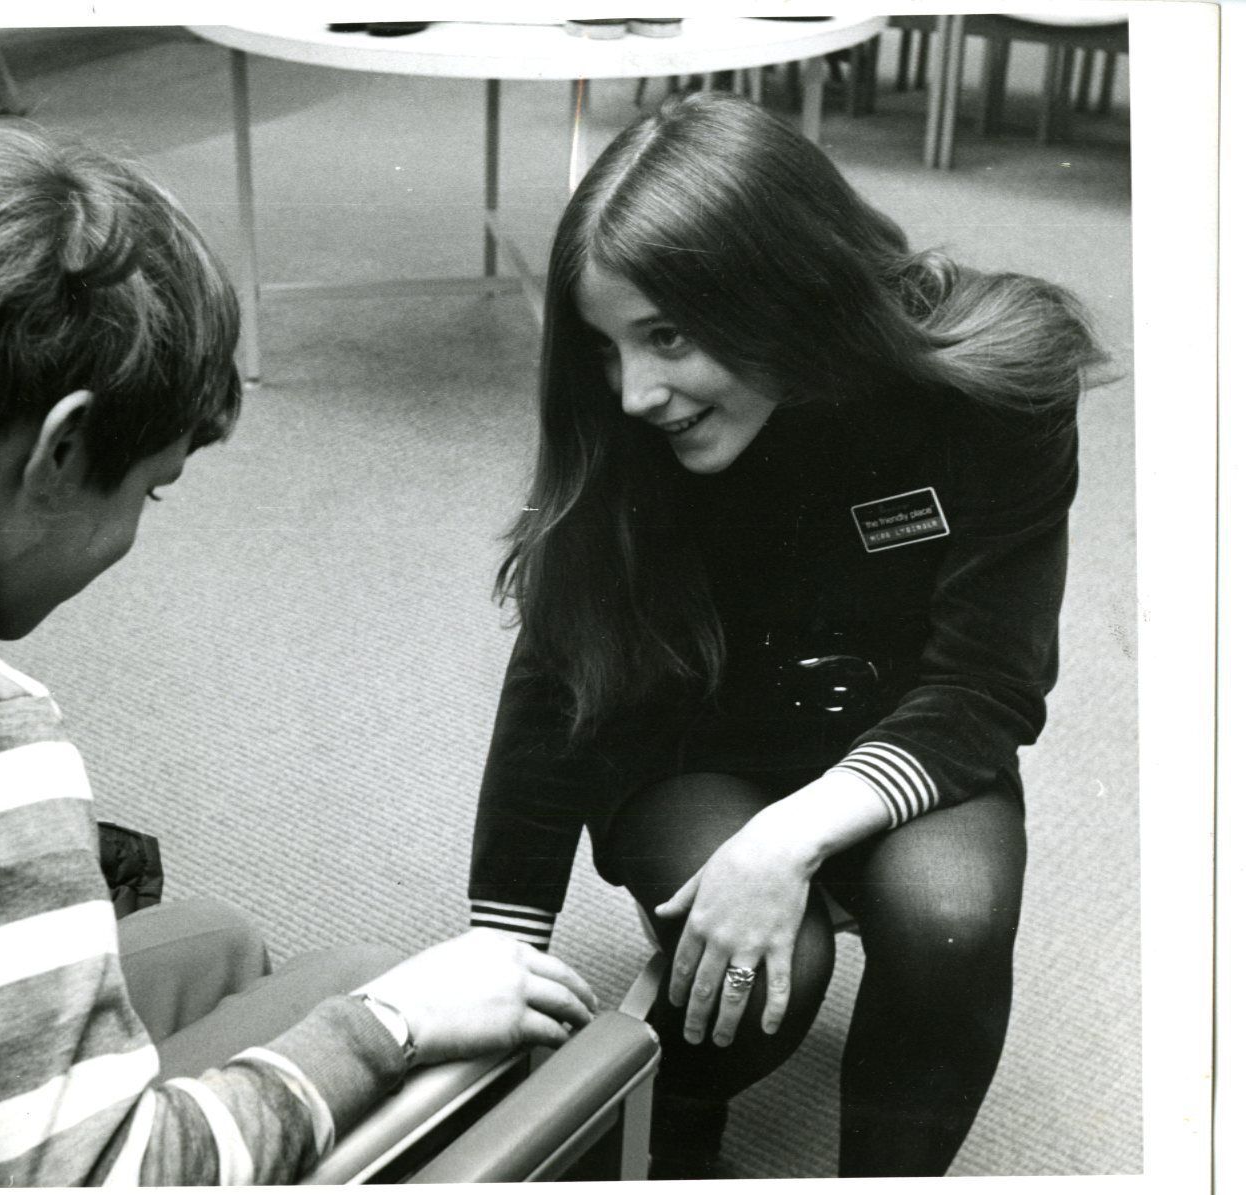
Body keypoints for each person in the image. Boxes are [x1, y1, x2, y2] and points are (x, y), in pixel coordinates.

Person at [0, 125, 597, 1187]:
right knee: (378, 985)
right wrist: (385, 1024)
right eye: (150, 490)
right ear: (62, 451)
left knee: (214, 941)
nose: (137, 527)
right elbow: (93, 1180)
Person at [466, 91, 1107, 1179]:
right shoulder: (632, 421)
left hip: (909, 729)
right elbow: (560, 676)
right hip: (694, 742)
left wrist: (784, 840)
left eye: (666, 334)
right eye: (609, 346)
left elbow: (989, 685)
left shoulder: (1001, 380)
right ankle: (663, 1126)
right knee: (766, 975)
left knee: (949, 920)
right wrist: (500, 948)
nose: (634, 392)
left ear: (782, 287)